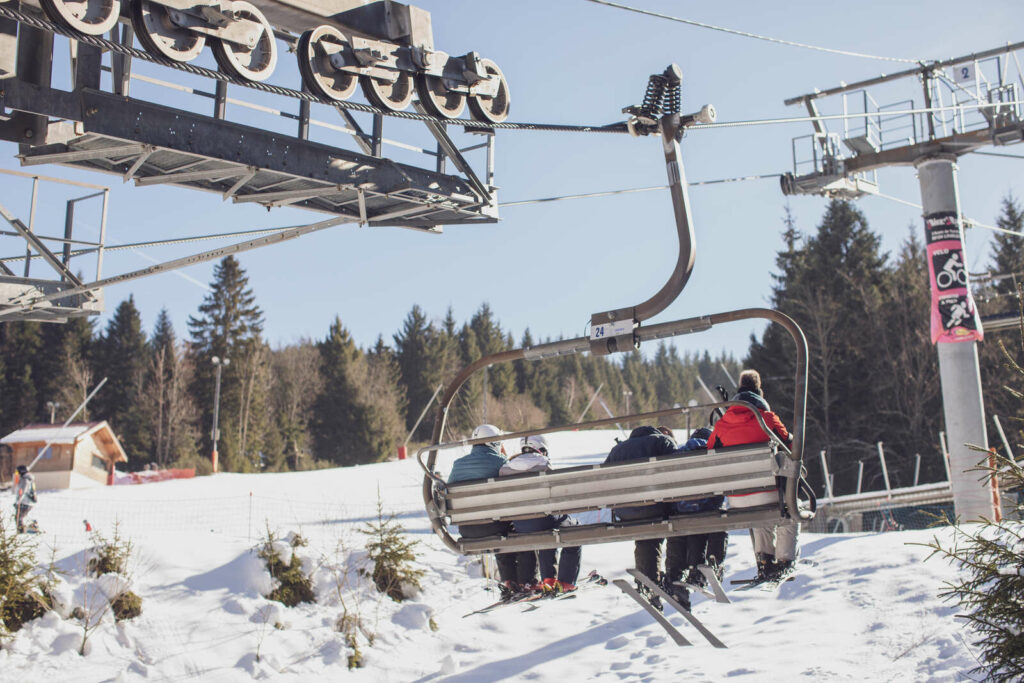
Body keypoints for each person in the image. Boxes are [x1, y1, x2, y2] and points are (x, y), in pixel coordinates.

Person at [708, 369, 798, 582]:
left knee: (760, 512)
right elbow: (790, 446)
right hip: (767, 491)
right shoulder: (767, 418)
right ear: (760, 392)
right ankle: (784, 561)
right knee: (791, 509)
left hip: (737, 498)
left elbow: (711, 451)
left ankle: (765, 561)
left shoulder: (723, 423)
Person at [604, 425, 677, 604]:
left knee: (646, 533)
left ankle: (648, 580)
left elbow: (603, 479)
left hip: (625, 510)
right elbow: (678, 471)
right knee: (662, 527)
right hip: (655, 506)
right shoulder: (663, 442)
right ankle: (663, 579)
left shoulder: (617, 449)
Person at [499, 434, 581, 593]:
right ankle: (564, 582)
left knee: (543, 528)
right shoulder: (544, 463)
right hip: (544, 519)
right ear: (542, 448)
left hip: (519, 524)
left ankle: (545, 579)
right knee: (573, 529)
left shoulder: (506, 468)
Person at [664, 427, 728, 609]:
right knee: (711, 519)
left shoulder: (678, 453)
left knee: (681, 524)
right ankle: (702, 569)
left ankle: (674, 574)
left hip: (681, 511)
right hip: (706, 510)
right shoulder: (714, 451)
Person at [447, 424, 517, 588]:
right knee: (511, 526)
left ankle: (508, 582)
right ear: (495, 443)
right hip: (495, 526)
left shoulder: (458, 465)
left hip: (467, 529)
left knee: (498, 521)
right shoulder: (500, 463)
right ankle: (518, 580)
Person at [13, 464, 37, 534]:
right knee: (20, 517)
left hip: (25, 502)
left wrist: (18, 502)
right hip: (27, 502)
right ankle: (31, 526)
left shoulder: (25, 479)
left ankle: (21, 532)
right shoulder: (28, 478)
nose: (17, 474)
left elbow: (22, 491)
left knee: (18, 518)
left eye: (18, 472)